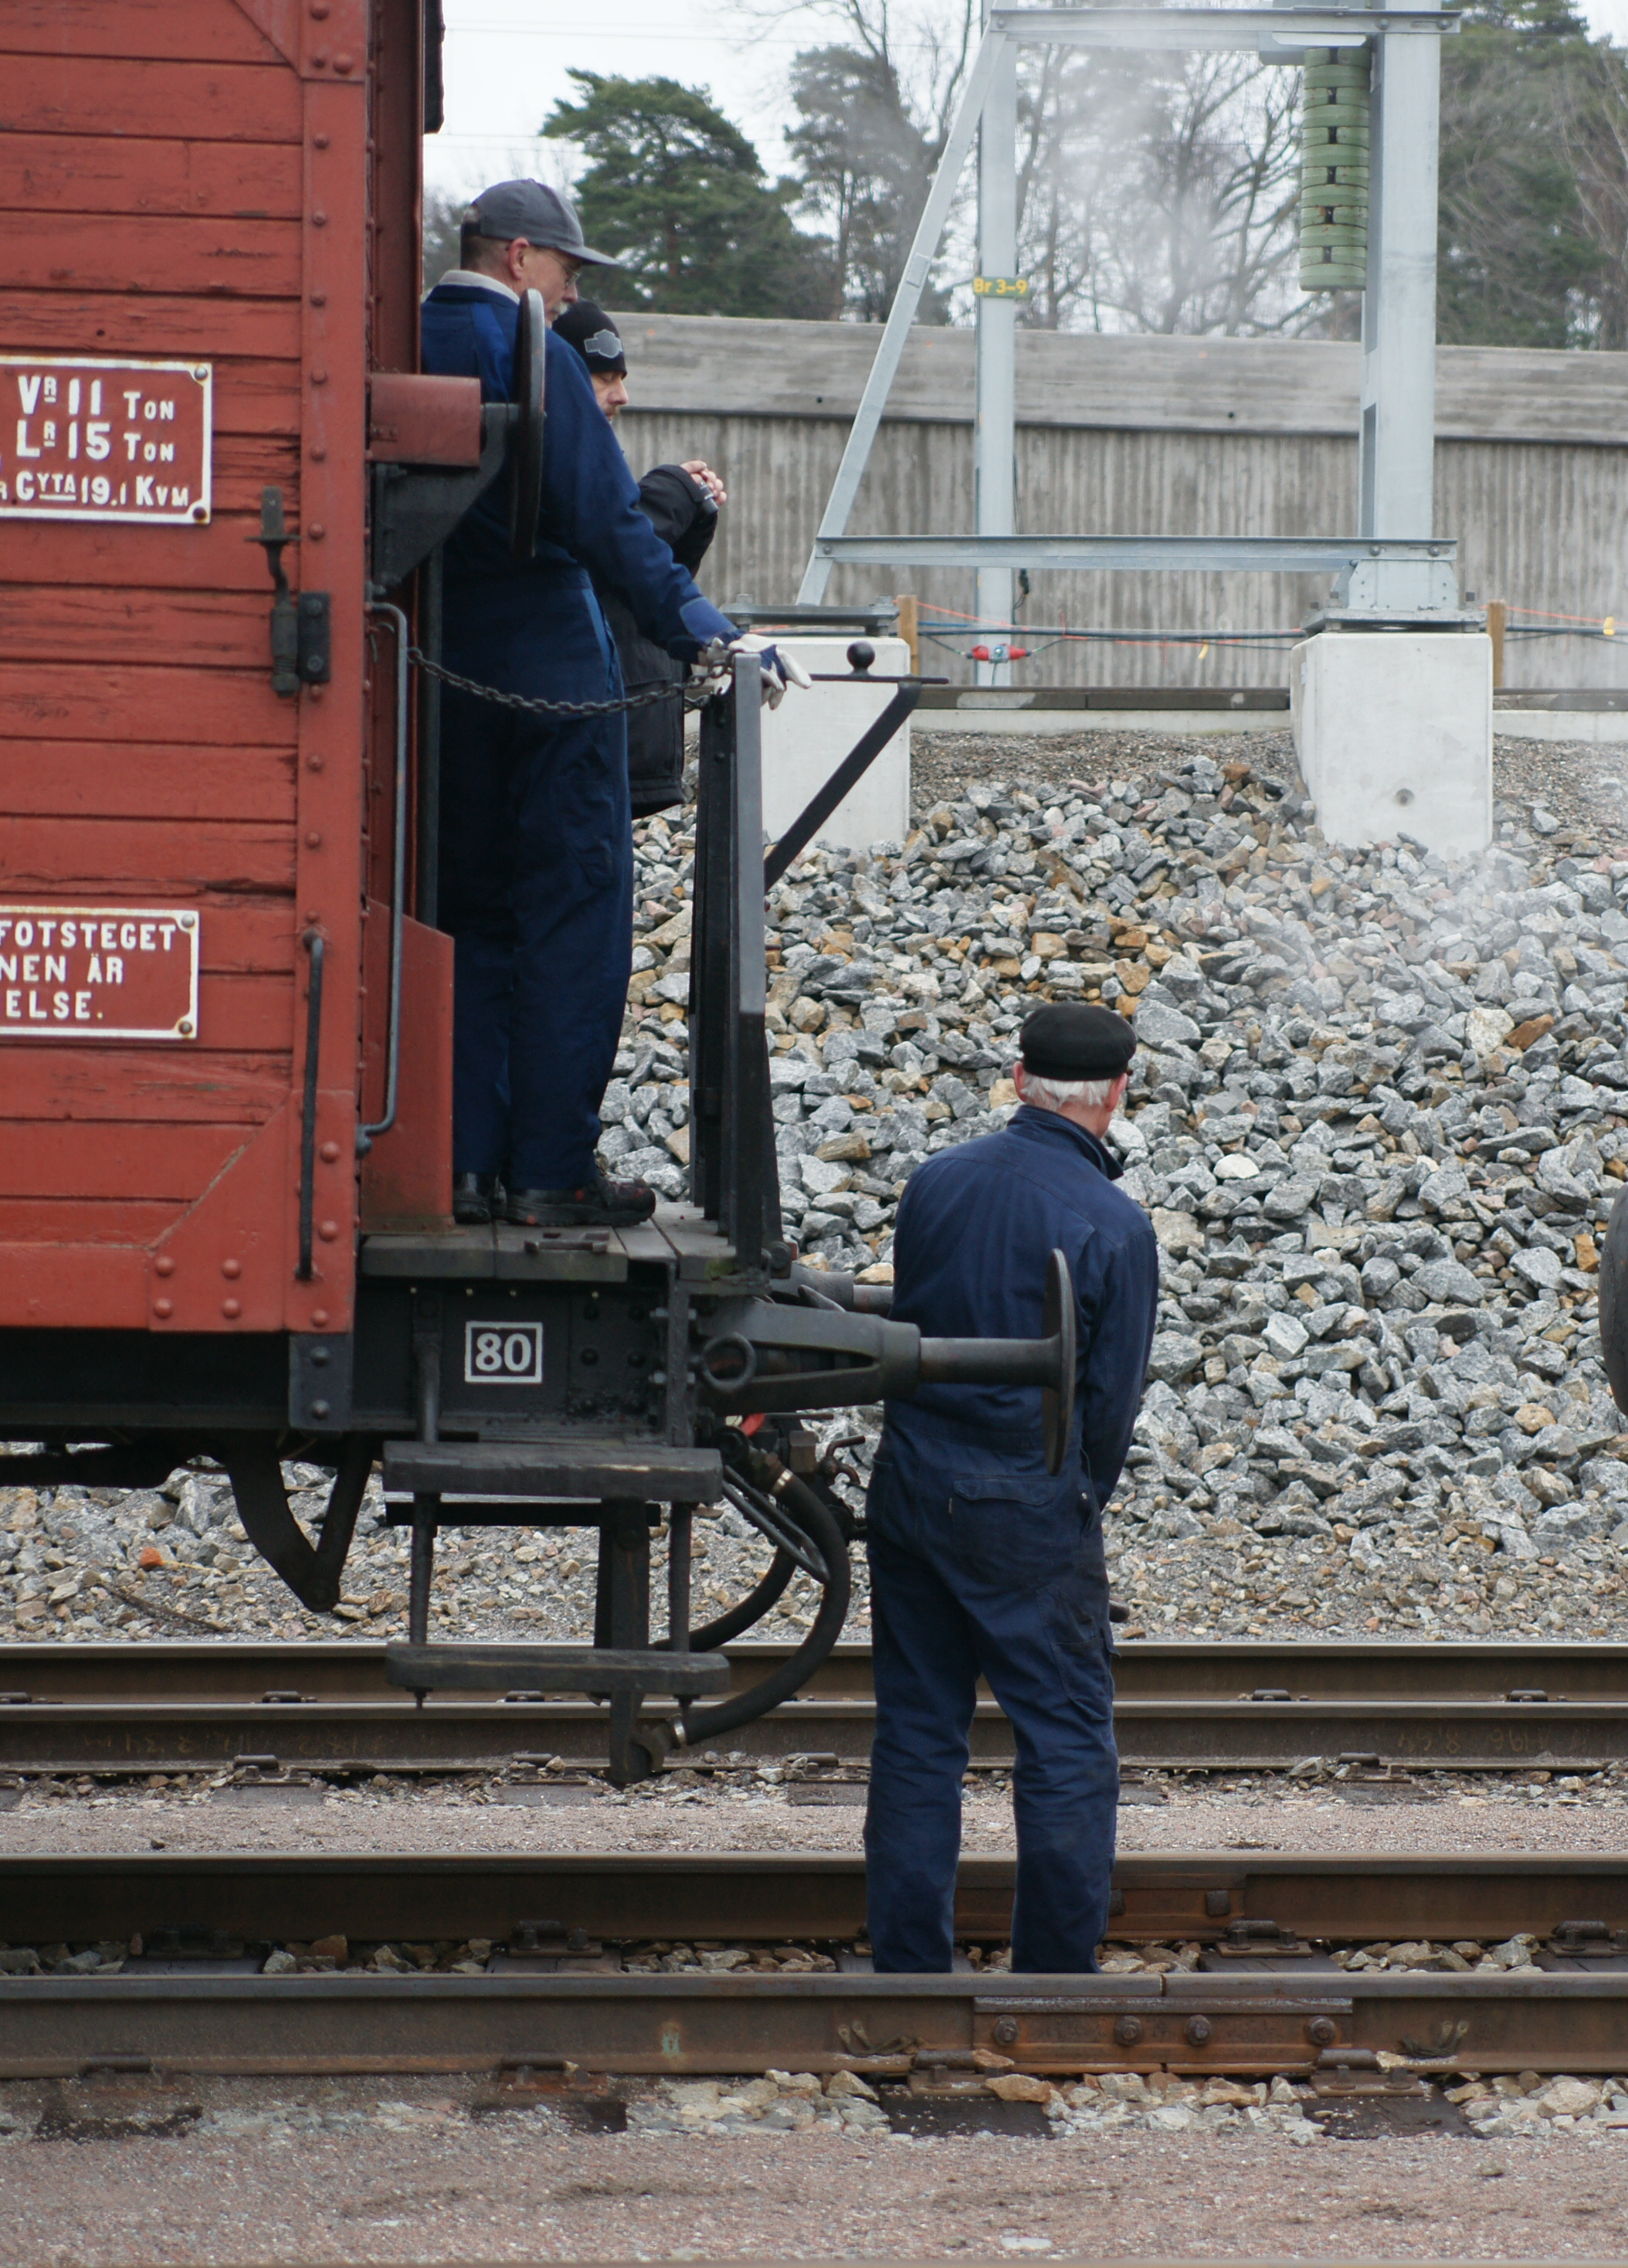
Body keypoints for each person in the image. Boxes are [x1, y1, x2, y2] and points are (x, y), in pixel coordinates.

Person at [420, 181, 792, 1227]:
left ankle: (461, 1164)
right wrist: (710, 632)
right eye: (569, 273)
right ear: (520, 257)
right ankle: (549, 1171)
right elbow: (610, 524)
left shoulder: (406, 338)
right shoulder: (531, 351)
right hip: (555, 681)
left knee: (467, 925)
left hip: (443, 679)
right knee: (574, 927)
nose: (570, 291)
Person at [863, 1004, 1162, 1975]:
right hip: (1028, 1498)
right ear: (1117, 1093)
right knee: (1065, 1737)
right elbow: (1106, 1406)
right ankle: (1052, 1975)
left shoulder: (934, 1183)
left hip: (911, 1485)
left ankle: (908, 1969)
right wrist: (1072, 1500)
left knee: (917, 1733)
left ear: (1016, 1074)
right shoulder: (1116, 1223)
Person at [551, 297, 724, 822]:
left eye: (621, 377)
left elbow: (640, 575)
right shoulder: (554, 461)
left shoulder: (585, 455)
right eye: (604, 378)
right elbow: (601, 551)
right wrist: (674, 492)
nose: (622, 395)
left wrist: (691, 510)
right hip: (583, 741)